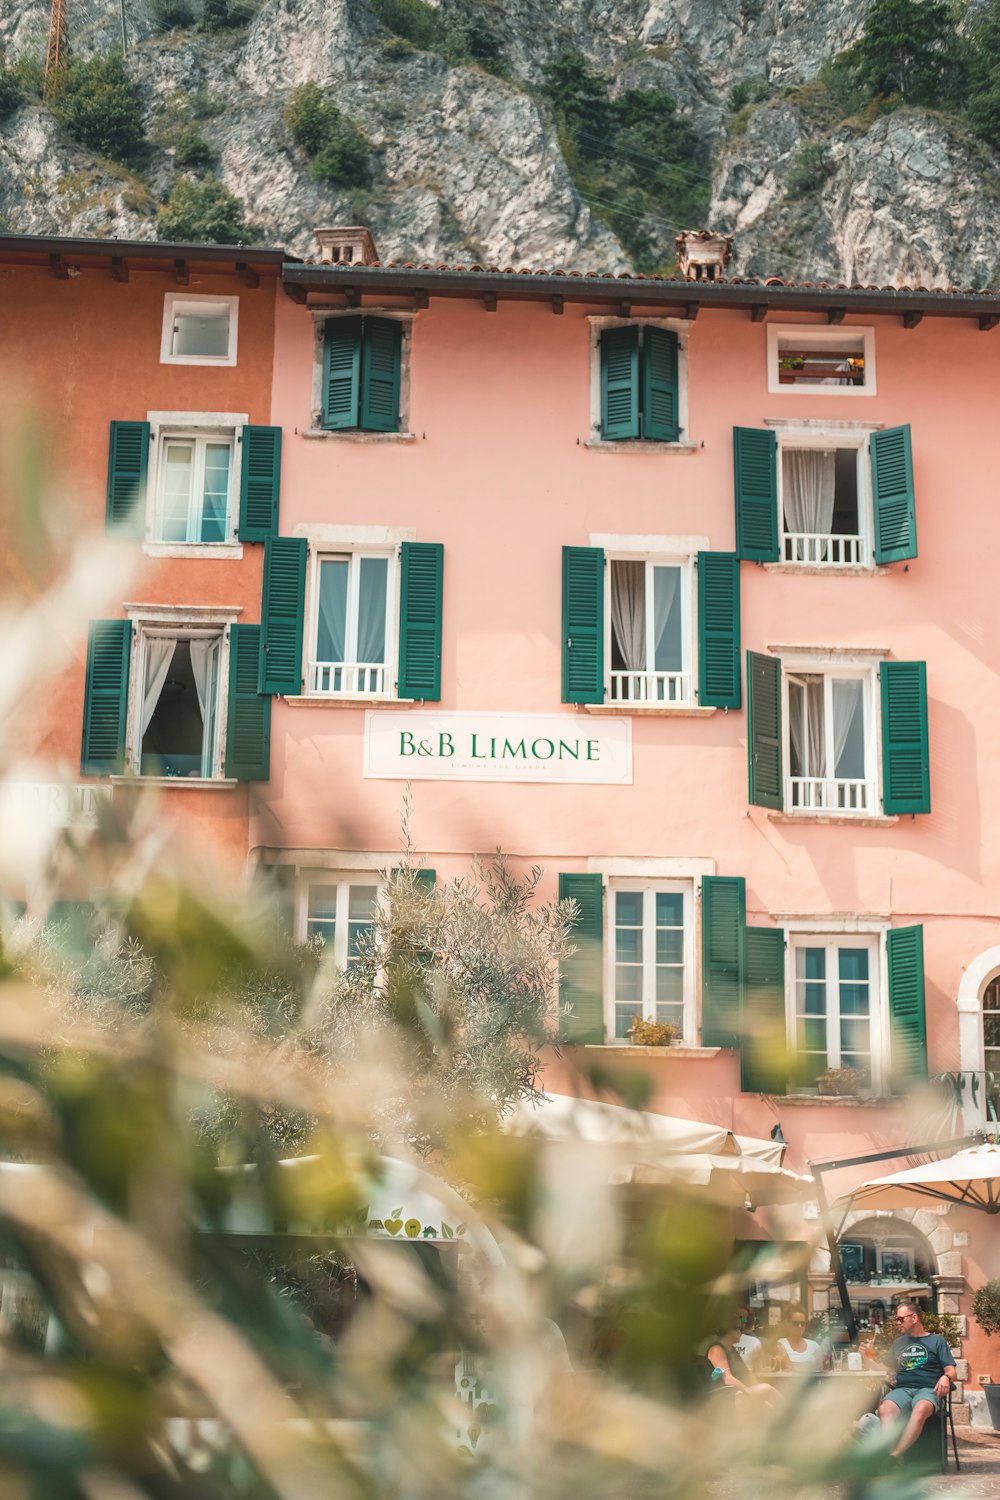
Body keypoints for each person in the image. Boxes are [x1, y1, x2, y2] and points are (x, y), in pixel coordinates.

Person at [877, 1300, 956, 1458]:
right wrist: (866, 1357)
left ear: (914, 1318)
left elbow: (951, 1370)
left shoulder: (936, 1341)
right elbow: (883, 1369)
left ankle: (897, 1455)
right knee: (884, 1409)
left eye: (901, 1319)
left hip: (928, 1390)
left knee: (920, 1409)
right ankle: (890, 1455)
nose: (897, 1323)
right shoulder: (898, 1343)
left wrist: (946, 1377)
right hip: (903, 1390)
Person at [704, 1313, 776, 1401]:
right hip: (722, 1398)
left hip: (737, 1394)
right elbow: (728, 1379)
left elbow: (746, 1374)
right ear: (729, 1330)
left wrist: (757, 1390)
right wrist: (749, 1392)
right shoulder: (716, 1350)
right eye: (739, 1328)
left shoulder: (732, 1350)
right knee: (767, 1388)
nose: (742, 1332)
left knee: (768, 1400)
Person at [775, 1305, 823, 1372]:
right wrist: (811, 1366)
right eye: (795, 1323)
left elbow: (821, 1368)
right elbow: (788, 1366)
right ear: (787, 1324)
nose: (799, 1326)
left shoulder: (814, 1345)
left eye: (803, 1323)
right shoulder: (781, 1344)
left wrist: (796, 1366)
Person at [732, 1304, 763, 1372]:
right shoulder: (722, 1340)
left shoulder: (754, 1342)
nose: (739, 1321)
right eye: (737, 1317)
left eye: (743, 1319)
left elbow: (758, 1369)